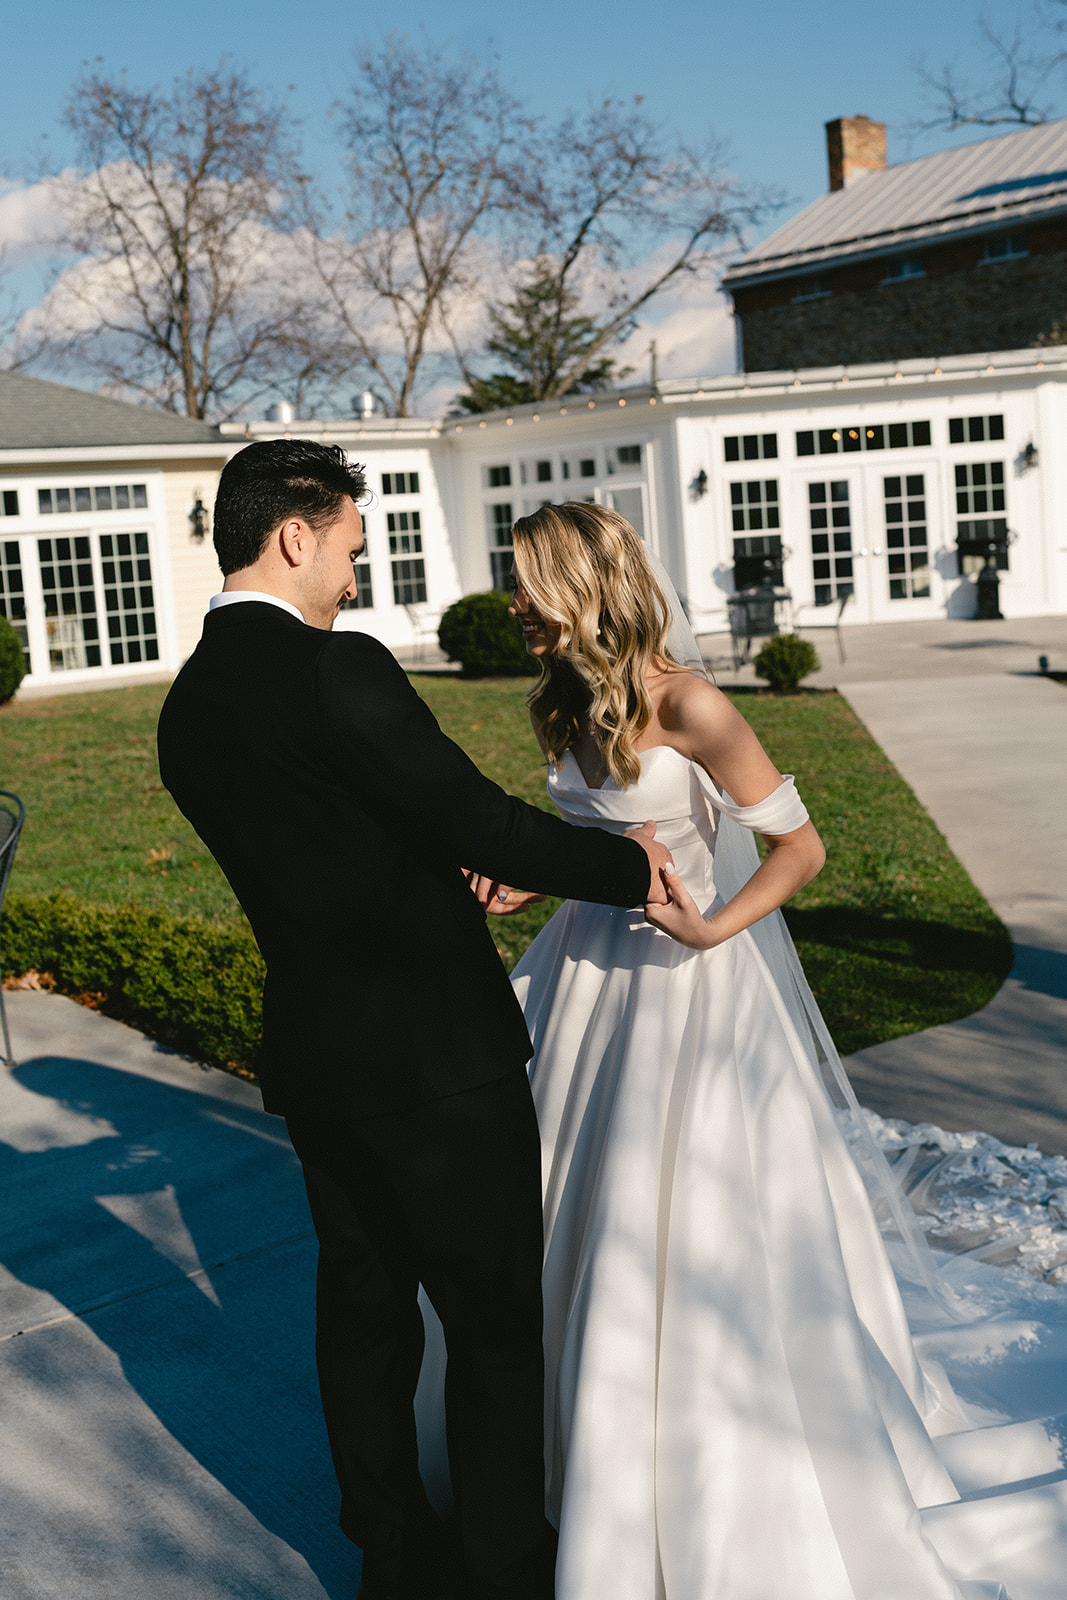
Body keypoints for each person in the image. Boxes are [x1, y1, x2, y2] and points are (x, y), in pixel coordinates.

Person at [494, 501, 1052, 1600]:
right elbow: (595, 836)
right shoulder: (562, 698)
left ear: (579, 584)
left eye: (525, 584)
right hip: (581, 982)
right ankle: (568, 1457)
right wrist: (527, 876)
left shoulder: (693, 704)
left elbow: (801, 846)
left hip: (687, 994)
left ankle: (687, 1476)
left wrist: (709, 925)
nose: (511, 604)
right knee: (567, 1201)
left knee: (679, 1221)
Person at [155, 442, 676, 1600]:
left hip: (316, 1060)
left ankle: (392, 1557)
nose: (354, 569)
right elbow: (481, 823)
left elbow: (329, 841)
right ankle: (505, 1571)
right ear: (294, 535)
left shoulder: (185, 707)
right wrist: (628, 864)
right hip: (438, 1064)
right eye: (347, 542)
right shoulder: (341, 669)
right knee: (491, 1329)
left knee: (365, 1317)